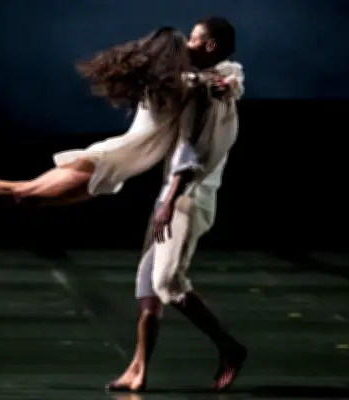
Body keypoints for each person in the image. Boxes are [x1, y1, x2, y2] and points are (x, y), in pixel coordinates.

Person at [0, 27, 198, 216]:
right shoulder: (171, 88)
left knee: (24, 193)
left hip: (109, 158)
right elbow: (204, 83)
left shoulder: (161, 86)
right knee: (25, 195)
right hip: (109, 162)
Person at [106, 17, 247, 393]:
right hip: (171, 196)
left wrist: (169, 200)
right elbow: (187, 81)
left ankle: (230, 347)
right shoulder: (200, 82)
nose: (188, 42)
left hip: (187, 198)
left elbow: (193, 152)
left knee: (167, 283)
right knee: (147, 289)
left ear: (211, 46)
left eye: (196, 38)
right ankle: (138, 368)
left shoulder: (217, 86)